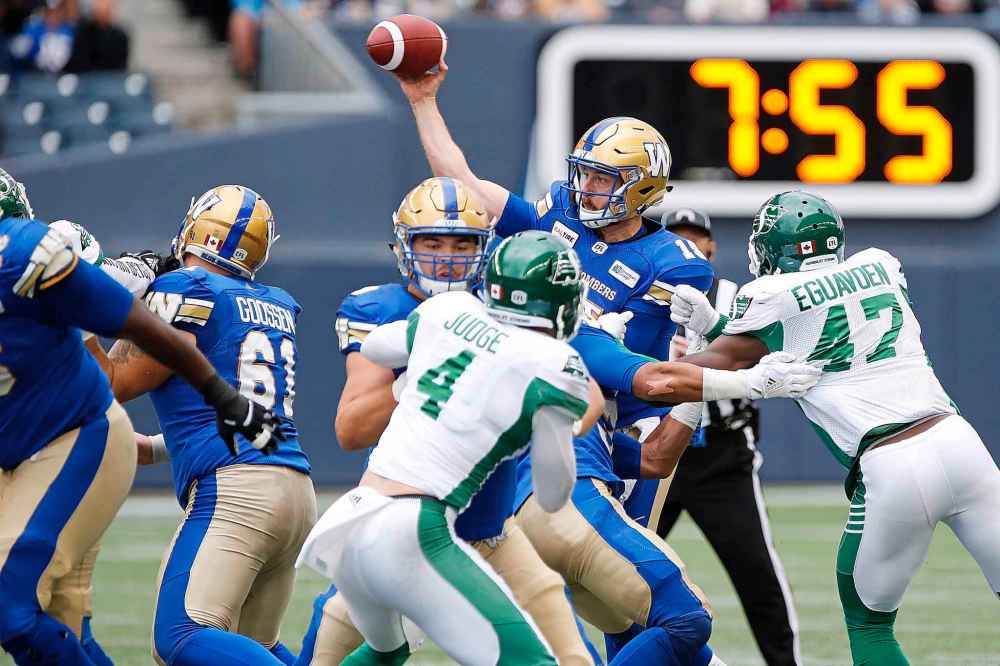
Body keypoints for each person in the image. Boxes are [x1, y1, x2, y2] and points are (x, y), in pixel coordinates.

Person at [391, 60, 731, 665]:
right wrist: (424, 102)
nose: (586, 188)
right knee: (629, 606)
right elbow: (462, 183)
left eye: (604, 179)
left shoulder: (672, 261)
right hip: (566, 415)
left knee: (631, 609)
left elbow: (641, 369)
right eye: (585, 174)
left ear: (642, 189)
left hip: (626, 427)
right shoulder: (558, 215)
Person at [670, 190, 1000, 666]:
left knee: (869, 624)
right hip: (959, 443)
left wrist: (650, 360)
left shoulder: (771, 296)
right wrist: (719, 323)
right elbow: (825, 324)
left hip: (891, 461)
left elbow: (725, 361)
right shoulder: (880, 265)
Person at [298, 178, 599, 666]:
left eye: (462, 244)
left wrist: (549, 418)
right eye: (432, 243)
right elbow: (352, 428)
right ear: (404, 245)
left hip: (489, 531)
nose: (447, 258)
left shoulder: (501, 306)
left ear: (486, 251)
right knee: (326, 655)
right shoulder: (393, 309)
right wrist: (431, 373)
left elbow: (589, 397)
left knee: (572, 658)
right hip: (411, 523)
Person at [0, 169, 281, 665]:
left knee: (16, 606)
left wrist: (219, 395)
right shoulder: (256, 302)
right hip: (29, 448)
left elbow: (134, 344)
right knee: (61, 627)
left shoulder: (29, 256)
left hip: (73, 440)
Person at [86, 184, 317, 665]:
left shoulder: (186, 290)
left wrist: (79, 312)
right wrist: (156, 447)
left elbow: (109, 385)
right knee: (253, 647)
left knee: (180, 636)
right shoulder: (273, 302)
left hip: (238, 492)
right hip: (294, 491)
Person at [649, 208, 802, 666]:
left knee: (757, 574)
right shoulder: (639, 293)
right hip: (656, 452)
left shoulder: (740, 297)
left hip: (721, 454)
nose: (689, 247)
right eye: (678, 238)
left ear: (712, 247)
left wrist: (688, 362)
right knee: (621, 573)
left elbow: (760, 360)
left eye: (696, 238)